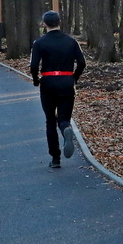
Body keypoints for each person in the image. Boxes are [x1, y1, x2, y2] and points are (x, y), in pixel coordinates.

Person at [29, 10, 85, 169]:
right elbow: (82, 63)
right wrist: (74, 77)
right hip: (67, 82)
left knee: (50, 121)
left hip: (48, 83)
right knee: (64, 118)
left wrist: (36, 80)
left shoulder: (39, 43)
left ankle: (55, 158)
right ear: (59, 22)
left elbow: (34, 66)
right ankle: (66, 129)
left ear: (44, 24)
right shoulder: (71, 41)